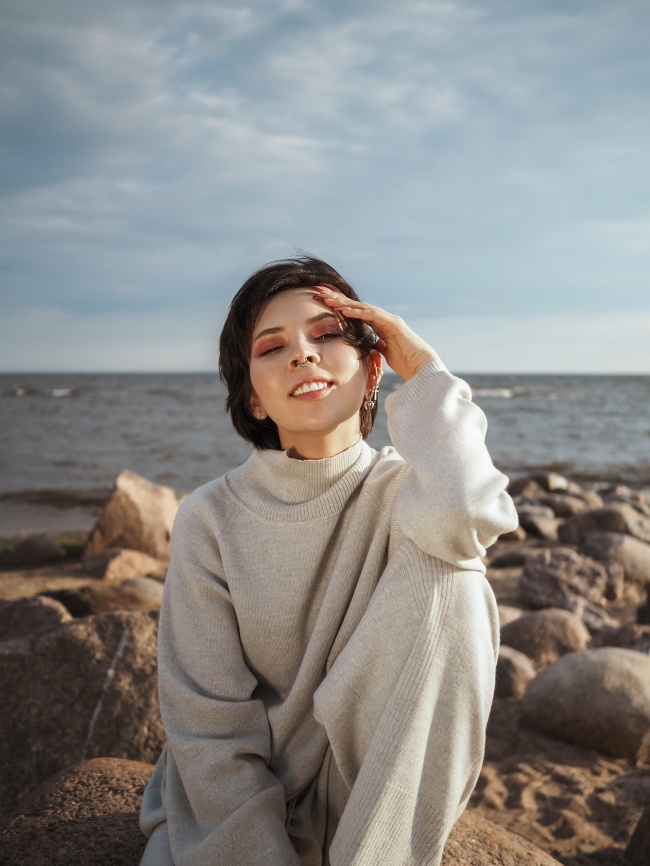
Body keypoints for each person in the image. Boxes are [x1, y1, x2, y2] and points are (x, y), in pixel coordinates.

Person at [139, 256, 518, 866]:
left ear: (372, 370)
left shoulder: (409, 492)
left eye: (326, 334)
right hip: (239, 806)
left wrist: (422, 369)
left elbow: (469, 517)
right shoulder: (210, 517)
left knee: (454, 575)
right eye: (272, 347)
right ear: (254, 399)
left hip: (363, 800)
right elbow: (207, 726)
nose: (301, 355)